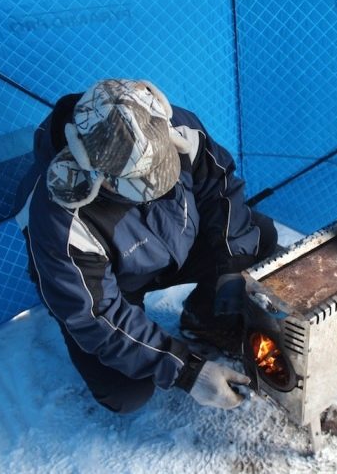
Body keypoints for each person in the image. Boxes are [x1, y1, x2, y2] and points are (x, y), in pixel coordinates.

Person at [14, 79, 278, 413]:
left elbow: (219, 189)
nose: (157, 186)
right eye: (139, 185)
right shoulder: (57, 215)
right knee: (125, 394)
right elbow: (96, 313)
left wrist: (230, 267)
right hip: (110, 284)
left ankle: (204, 317)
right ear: (99, 176)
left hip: (177, 240)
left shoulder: (173, 124)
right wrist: (188, 371)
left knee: (259, 237)